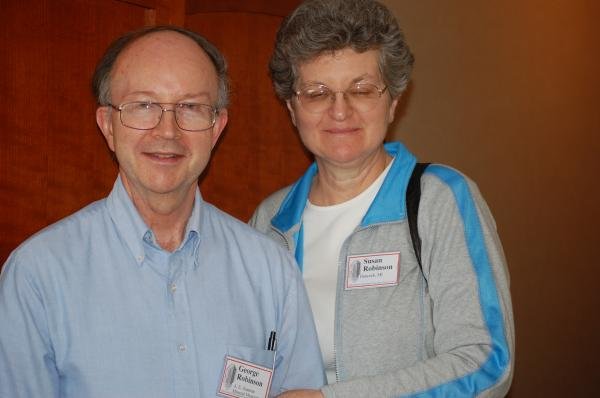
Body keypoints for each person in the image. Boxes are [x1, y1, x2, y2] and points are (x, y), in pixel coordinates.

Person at [0, 26, 325, 398]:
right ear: (107, 125)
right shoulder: (38, 276)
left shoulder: (271, 271)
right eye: (144, 105)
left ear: (216, 128)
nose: (167, 131)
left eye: (190, 107)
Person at [250, 0, 515, 397]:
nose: (340, 111)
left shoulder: (439, 199)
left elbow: (485, 362)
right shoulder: (270, 220)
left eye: (361, 89)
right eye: (317, 93)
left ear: (392, 102)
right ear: (292, 108)